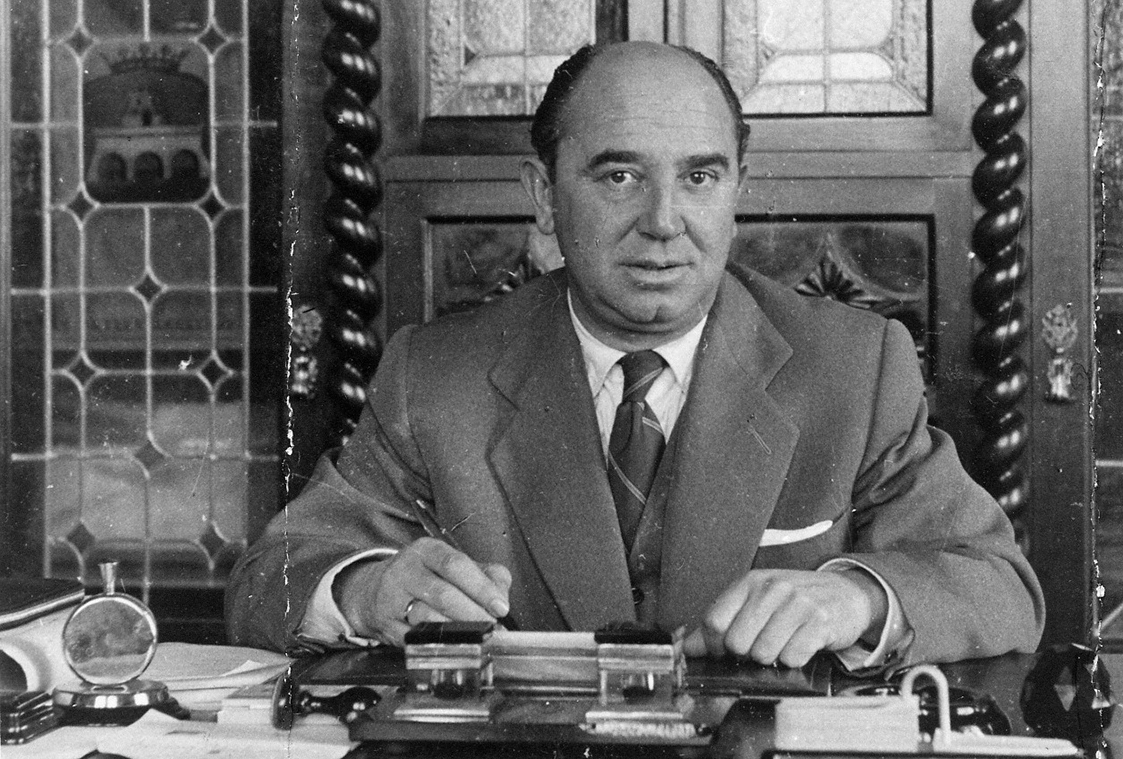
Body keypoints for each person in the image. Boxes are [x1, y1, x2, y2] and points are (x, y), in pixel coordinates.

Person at [227, 42, 1044, 670]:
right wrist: (367, 589)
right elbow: (270, 577)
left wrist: (856, 598)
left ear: (738, 189)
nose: (663, 220)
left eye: (700, 178)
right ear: (543, 197)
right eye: (620, 177)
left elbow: (999, 582)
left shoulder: (854, 368)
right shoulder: (436, 376)